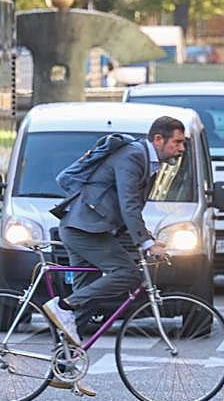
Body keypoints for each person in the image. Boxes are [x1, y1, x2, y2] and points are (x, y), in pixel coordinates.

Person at [43, 116, 183, 351]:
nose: (181, 148)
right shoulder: (133, 156)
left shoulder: (148, 162)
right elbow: (128, 203)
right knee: (128, 274)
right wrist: (147, 243)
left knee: (88, 299)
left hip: (85, 227)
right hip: (84, 230)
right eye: (178, 142)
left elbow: (132, 209)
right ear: (158, 139)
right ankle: (63, 306)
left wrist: (147, 237)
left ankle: (64, 363)